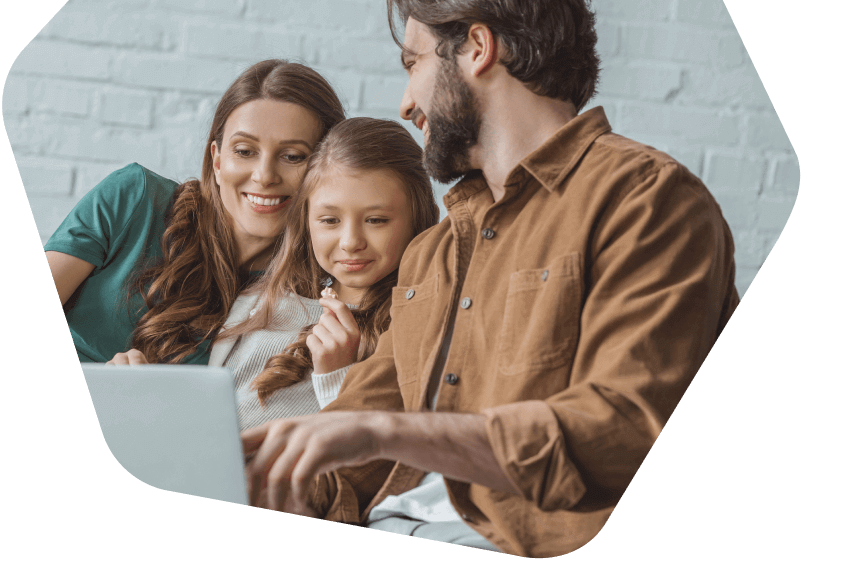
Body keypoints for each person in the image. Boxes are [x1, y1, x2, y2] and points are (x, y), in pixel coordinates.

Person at [242, 0, 740, 558]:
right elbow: (350, 461)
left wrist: (387, 432)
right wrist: (250, 477)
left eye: (413, 64)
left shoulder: (647, 200)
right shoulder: (430, 254)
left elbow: (622, 435)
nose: (406, 104)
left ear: (477, 49)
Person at [44, 60, 345, 365]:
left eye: (292, 156)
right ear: (216, 160)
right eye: (244, 151)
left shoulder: (316, 301)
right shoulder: (134, 197)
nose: (264, 176)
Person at [206, 117, 439, 430]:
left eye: (376, 220)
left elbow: (383, 464)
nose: (351, 242)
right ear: (307, 221)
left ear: (418, 218)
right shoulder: (262, 299)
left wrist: (336, 378)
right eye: (330, 221)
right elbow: (204, 414)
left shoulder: (415, 328)